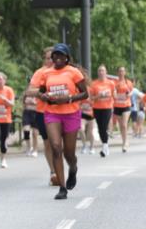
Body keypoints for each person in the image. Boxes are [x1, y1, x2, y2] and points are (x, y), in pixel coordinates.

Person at [36, 43, 87, 200]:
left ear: (66, 58)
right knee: (56, 147)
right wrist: (43, 96)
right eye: (55, 55)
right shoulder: (46, 73)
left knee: (69, 153)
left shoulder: (74, 72)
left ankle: (73, 168)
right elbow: (40, 92)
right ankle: (62, 187)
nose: (57, 58)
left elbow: (85, 93)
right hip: (52, 113)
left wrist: (69, 98)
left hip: (71, 113)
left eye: (61, 55)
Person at [24, 47, 57, 186]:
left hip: (61, 112)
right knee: (48, 143)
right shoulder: (40, 72)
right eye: (48, 58)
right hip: (43, 112)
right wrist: (41, 92)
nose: (51, 61)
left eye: (53, 58)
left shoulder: (64, 71)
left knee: (58, 143)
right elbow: (29, 91)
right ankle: (53, 172)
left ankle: (60, 169)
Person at [88, 65, 116, 157]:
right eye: (99, 71)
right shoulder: (94, 84)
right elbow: (91, 98)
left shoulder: (111, 83)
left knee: (104, 126)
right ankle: (105, 145)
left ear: (106, 72)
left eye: (103, 70)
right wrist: (99, 96)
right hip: (97, 108)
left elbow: (114, 95)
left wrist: (112, 94)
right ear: (98, 73)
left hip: (107, 107)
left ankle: (105, 147)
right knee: (100, 128)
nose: (101, 72)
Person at [112, 66, 135, 152]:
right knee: (121, 126)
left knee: (124, 125)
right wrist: (115, 94)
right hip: (117, 106)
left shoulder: (128, 82)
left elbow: (132, 91)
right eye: (120, 71)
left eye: (122, 71)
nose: (121, 73)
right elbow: (113, 92)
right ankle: (124, 140)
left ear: (125, 73)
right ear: (117, 73)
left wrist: (129, 94)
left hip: (126, 105)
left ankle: (125, 143)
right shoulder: (114, 82)